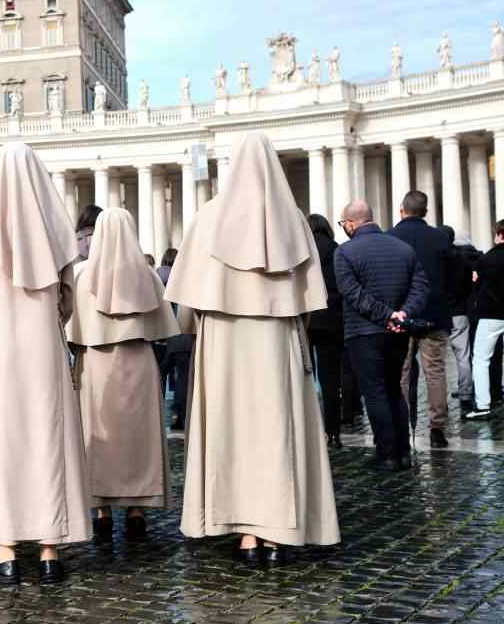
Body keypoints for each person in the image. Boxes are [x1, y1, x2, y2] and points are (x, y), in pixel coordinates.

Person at [167, 133, 339, 566]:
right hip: (277, 339)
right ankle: (277, 531)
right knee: (277, 430)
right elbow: (307, 298)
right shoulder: (292, 220)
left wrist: (198, 324)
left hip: (223, 340)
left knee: (231, 432)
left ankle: (243, 532)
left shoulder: (208, 217)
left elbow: (186, 302)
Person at [0, 142, 90, 586]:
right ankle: (50, 549)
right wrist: (48, 318)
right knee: (46, 439)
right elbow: (68, 296)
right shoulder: (56, 225)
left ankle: (6, 549)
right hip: (42, 340)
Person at [66, 209, 178, 539]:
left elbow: (71, 330)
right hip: (139, 362)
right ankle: (136, 508)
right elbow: (162, 329)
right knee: (138, 439)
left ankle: (100, 509)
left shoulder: (82, 276)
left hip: (96, 365)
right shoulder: (148, 275)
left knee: (97, 437)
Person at [334, 200, 429, 470]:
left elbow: (353, 294)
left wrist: (385, 315)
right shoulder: (403, 248)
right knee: (393, 390)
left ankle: (387, 453)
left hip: (364, 332)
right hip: (397, 331)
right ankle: (403, 452)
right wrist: (402, 314)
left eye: (344, 224)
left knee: (375, 393)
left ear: (351, 223)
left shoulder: (345, 252)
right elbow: (420, 287)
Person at [387, 191, 452, 448]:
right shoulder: (440, 238)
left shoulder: (391, 237)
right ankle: (437, 429)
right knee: (435, 372)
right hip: (434, 315)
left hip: (402, 315)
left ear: (402, 209)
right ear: (426, 212)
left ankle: (401, 424)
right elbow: (452, 275)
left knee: (401, 373)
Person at [307, 214, 345, 448]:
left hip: (307, 320)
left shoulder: (302, 252)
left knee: (303, 377)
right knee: (331, 380)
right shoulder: (337, 250)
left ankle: (308, 430)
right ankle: (333, 432)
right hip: (332, 320)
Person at [468, 220, 504, 420]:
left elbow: (479, 288)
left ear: (499, 234)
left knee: (481, 359)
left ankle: (483, 405)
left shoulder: (487, 259)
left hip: (491, 313)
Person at [442, 226, 480, 416]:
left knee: (435, 362)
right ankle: (466, 395)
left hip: (440, 313)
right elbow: (467, 287)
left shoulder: (437, 259)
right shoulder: (461, 259)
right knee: (463, 356)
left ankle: (440, 401)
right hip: (459, 311)